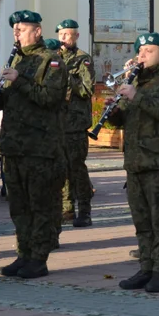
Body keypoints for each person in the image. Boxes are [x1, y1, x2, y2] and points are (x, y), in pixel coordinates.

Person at [0, 10, 68, 280]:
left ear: (37, 31)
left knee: (40, 205)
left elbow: (50, 98)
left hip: (40, 146)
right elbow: (15, 101)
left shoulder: (52, 61)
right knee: (19, 206)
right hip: (14, 145)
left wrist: (18, 81)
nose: (17, 33)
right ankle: (23, 253)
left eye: (22, 29)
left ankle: (38, 258)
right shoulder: (17, 60)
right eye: (14, 29)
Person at [108, 33, 159, 293]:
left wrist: (136, 97)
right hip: (136, 162)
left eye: (148, 50)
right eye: (140, 50)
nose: (141, 55)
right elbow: (126, 121)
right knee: (141, 221)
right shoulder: (136, 79)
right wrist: (116, 111)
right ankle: (146, 267)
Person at [55, 20, 95, 227]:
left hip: (76, 123)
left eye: (67, 35)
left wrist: (66, 75)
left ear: (76, 36)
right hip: (57, 122)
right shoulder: (54, 57)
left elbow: (86, 90)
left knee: (77, 168)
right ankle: (67, 208)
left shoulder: (83, 60)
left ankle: (85, 210)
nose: (63, 39)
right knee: (61, 168)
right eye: (61, 34)